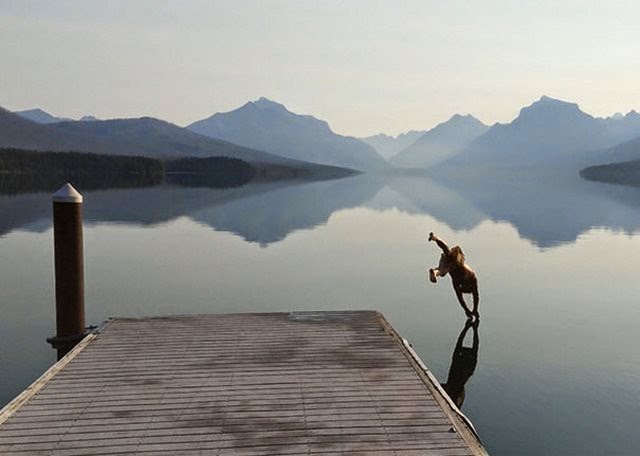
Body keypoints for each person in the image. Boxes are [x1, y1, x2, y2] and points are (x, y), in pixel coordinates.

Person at [427, 232, 479, 319]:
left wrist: (470, 310)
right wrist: (472, 310)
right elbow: (472, 297)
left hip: (449, 264)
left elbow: (468, 297)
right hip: (457, 262)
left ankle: (435, 273)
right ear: (466, 286)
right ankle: (435, 273)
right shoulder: (471, 278)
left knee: (442, 270)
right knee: (445, 263)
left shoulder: (458, 281)